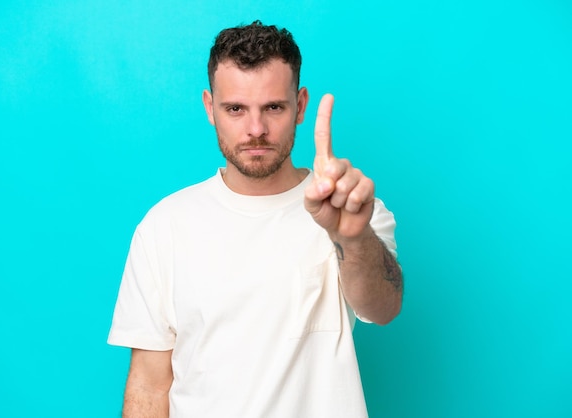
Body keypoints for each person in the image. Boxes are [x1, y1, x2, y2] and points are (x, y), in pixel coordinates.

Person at [108, 21, 403, 418]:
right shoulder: (164, 226)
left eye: (273, 107)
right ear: (210, 108)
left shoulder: (350, 210)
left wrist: (349, 237)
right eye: (235, 109)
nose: (256, 130)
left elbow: (384, 308)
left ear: (300, 106)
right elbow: (148, 383)